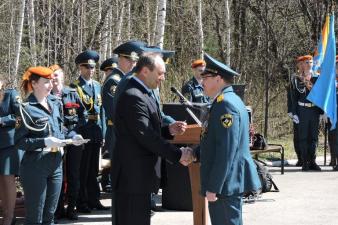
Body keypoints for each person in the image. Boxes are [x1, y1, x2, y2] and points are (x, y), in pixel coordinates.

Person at [111, 52, 191, 225]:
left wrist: (168, 129)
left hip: (139, 178)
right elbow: (145, 137)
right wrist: (178, 155)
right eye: (160, 73)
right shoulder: (133, 95)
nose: (162, 78)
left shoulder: (144, 93)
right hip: (131, 179)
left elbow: (145, 130)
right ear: (145, 71)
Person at [193, 53, 261, 225]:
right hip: (226, 182)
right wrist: (194, 153)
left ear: (218, 79)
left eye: (206, 77)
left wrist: (214, 187)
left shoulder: (225, 104)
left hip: (225, 184)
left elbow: (226, 151)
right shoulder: (227, 100)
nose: (202, 82)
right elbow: (214, 142)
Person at [14, 66, 84, 225]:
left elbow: (61, 128)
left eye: (51, 81)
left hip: (56, 163)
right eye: (46, 82)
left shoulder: (55, 103)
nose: (51, 85)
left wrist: (73, 136)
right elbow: (19, 141)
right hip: (35, 165)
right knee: (35, 217)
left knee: (50, 216)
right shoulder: (25, 108)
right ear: (34, 83)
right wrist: (44, 141)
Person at [70, 50, 109, 212]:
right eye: (87, 67)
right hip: (84, 132)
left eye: (93, 67)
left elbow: (102, 111)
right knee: (83, 169)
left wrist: (104, 133)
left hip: (96, 131)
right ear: (80, 67)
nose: (91, 70)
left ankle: (94, 199)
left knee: (94, 169)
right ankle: (82, 201)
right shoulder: (75, 87)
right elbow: (75, 113)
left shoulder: (98, 86)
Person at [50, 64, 88, 220]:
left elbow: (83, 115)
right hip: (55, 140)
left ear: (62, 77)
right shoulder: (46, 97)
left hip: (73, 139)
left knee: (73, 174)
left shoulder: (72, 93)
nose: (54, 79)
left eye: (56, 76)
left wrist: (74, 132)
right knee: (56, 174)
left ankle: (71, 208)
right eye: (51, 77)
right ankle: (57, 209)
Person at [290, 55, 322, 171]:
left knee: (313, 137)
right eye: (307, 62)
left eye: (310, 62)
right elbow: (294, 97)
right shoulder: (296, 78)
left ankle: (312, 161)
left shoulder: (317, 78)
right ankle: (305, 162)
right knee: (303, 137)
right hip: (302, 110)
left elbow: (320, 96)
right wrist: (294, 113)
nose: (309, 64)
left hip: (314, 110)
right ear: (302, 65)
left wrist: (322, 111)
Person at [0, 75, 21, 225]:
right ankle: (6, 214)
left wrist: (2, 120)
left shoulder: (10, 94)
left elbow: (21, 116)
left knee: (8, 179)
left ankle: (9, 216)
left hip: (9, 144)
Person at [287, 58, 304, 166]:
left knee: (308, 135)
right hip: (297, 110)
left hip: (307, 110)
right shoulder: (294, 78)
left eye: (305, 63)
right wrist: (290, 111)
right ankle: (300, 158)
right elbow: (290, 95)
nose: (303, 66)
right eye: (301, 64)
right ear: (298, 65)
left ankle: (307, 158)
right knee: (298, 135)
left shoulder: (310, 77)